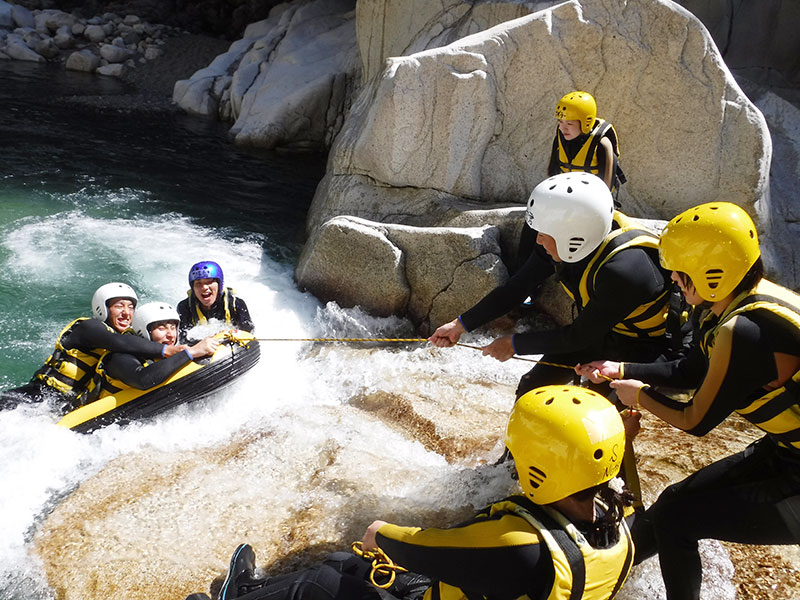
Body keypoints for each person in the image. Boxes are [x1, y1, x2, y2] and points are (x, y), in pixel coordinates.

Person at [184, 385, 638, 600]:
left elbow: (407, 543)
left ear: (542, 466)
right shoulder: (619, 525)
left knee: (319, 583)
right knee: (346, 563)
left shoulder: (519, 545)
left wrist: (378, 531)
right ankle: (256, 591)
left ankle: (236, 597)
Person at [576, 202, 800, 600]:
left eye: (680, 270)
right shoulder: (727, 306)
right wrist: (623, 369)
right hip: (787, 453)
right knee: (674, 503)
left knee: (679, 519)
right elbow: (689, 372)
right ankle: (594, 579)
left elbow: (695, 421)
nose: (673, 278)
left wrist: (640, 397)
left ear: (712, 272)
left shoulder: (744, 331)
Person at [429, 172, 677, 401]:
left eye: (544, 233)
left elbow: (578, 337)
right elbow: (516, 289)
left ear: (573, 235)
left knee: (598, 409)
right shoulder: (567, 240)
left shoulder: (627, 269)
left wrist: (513, 344)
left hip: (645, 348)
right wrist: (460, 325)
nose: (538, 239)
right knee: (532, 387)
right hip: (600, 332)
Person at [0, 282, 186, 412]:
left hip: (61, 405)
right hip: (36, 396)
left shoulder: (127, 340)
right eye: (119, 306)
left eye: (130, 307)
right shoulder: (89, 328)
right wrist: (165, 350)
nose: (126, 313)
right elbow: (116, 342)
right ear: (102, 309)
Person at [517, 91, 626, 269]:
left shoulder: (602, 143)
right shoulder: (561, 137)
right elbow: (553, 172)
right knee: (531, 224)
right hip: (565, 201)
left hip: (589, 207)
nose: (563, 128)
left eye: (569, 123)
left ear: (586, 123)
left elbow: (606, 190)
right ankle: (521, 269)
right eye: (560, 122)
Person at [79, 302, 220, 404]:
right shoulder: (119, 357)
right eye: (162, 328)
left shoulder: (175, 347)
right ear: (143, 331)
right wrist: (192, 352)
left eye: (172, 327)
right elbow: (143, 379)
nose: (170, 334)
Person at [177, 261, 254, 342]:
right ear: (193, 288)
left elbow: (249, 331)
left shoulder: (236, 304)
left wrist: (226, 336)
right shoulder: (185, 307)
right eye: (198, 283)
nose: (204, 287)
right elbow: (183, 339)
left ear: (219, 284)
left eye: (209, 281)